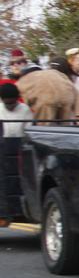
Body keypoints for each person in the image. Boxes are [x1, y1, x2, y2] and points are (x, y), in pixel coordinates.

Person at [1, 83, 33, 228]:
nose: (10, 106)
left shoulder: (25, 109)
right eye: (7, 103)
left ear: (17, 99)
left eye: (12, 102)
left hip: (20, 147)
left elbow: (29, 130)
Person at [15, 56, 79, 124]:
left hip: (46, 100)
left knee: (44, 128)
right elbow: (77, 95)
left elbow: (16, 91)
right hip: (66, 99)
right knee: (63, 127)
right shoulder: (62, 76)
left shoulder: (31, 77)